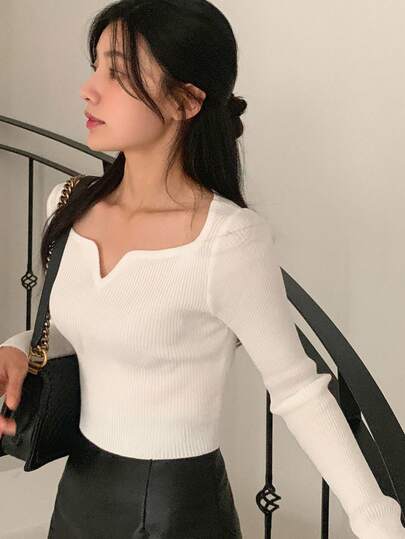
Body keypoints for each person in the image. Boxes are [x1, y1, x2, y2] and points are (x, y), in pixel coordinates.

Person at [0, 1, 404, 537]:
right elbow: (92, 327)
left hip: (174, 509)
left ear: (186, 100)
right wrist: (19, 347)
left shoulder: (227, 240)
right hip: (80, 486)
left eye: (118, 72)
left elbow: (298, 390)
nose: (88, 89)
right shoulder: (68, 203)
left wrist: (376, 519)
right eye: (95, 66)